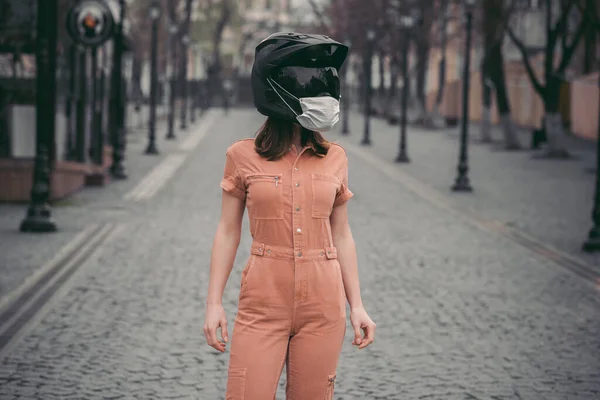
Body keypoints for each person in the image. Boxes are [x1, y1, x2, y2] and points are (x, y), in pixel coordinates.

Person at [203, 32, 376, 400]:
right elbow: (228, 230)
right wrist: (214, 302)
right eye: (309, 81)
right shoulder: (242, 156)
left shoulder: (336, 158)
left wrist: (357, 305)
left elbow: (342, 235)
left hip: (323, 305)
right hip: (263, 302)